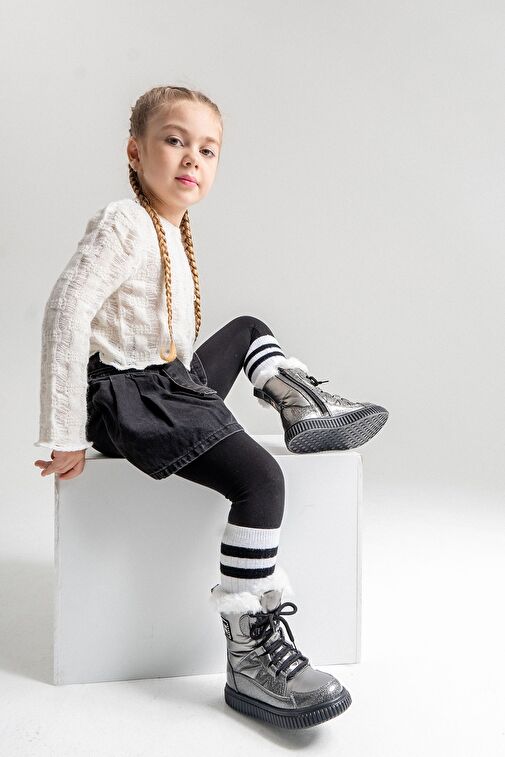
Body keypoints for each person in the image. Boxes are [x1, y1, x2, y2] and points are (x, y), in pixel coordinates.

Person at [33, 85, 388, 729]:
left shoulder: (172, 228)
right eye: (174, 141)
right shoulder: (124, 221)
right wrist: (64, 433)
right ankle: (249, 652)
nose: (191, 158)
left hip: (167, 383)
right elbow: (66, 310)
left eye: (207, 149)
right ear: (135, 153)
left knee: (249, 327)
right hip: (132, 400)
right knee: (261, 481)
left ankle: (302, 410)